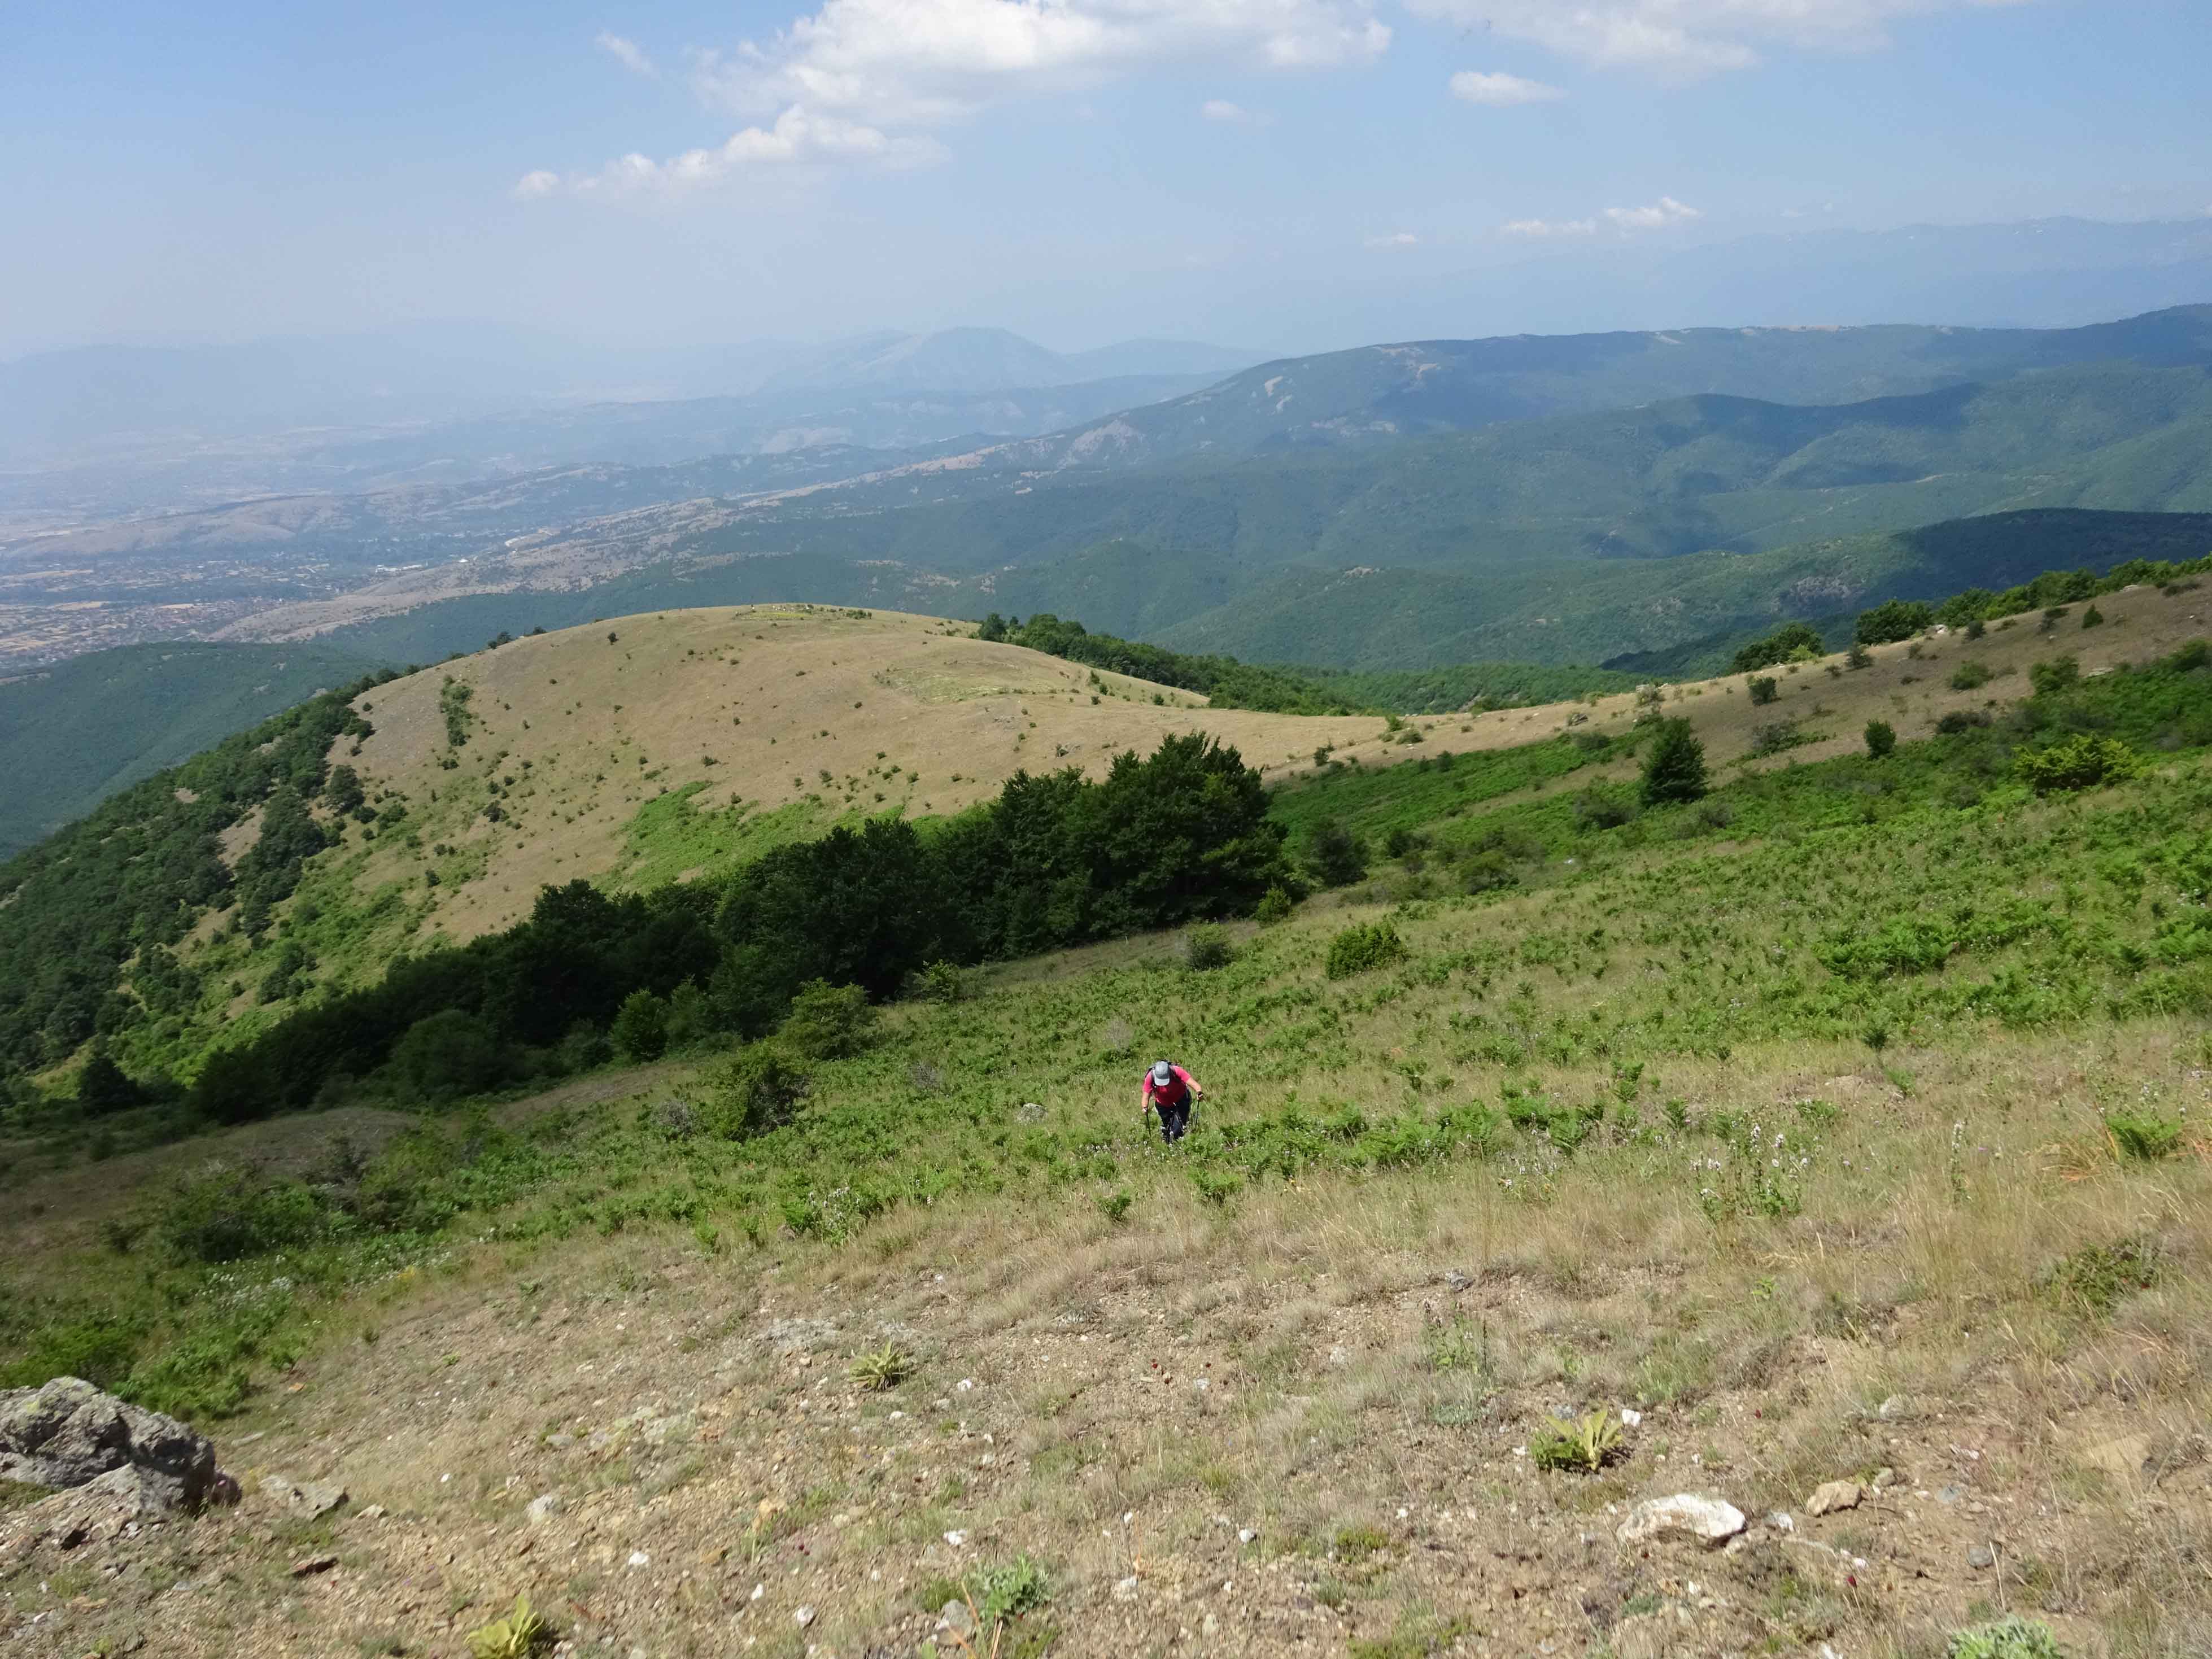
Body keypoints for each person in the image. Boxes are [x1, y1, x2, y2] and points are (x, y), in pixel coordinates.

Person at [1142, 1059, 1203, 1144]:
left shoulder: (1176, 1071)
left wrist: (1199, 1092)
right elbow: (1146, 1095)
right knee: (1167, 1126)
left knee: (1179, 1127)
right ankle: (1168, 1142)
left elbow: (1194, 1084)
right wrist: (1145, 1107)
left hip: (1181, 1100)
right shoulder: (1151, 1076)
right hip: (1163, 1104)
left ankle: (1177, 1143)